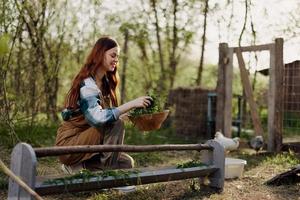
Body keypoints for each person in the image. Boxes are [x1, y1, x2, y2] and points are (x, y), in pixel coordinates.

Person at [55, 36, 152, 174]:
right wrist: (131, 103)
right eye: (113, 55)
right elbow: (98, 119)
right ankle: (107, 176)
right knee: (116, 123)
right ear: (100, 54)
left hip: (89, 141)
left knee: (126, 163)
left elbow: (105, 116)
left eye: (117, 56)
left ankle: (79, 167)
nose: (116, 60)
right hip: (70, 145)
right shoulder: (87, 84)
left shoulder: (105, 84)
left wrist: (130, 114)